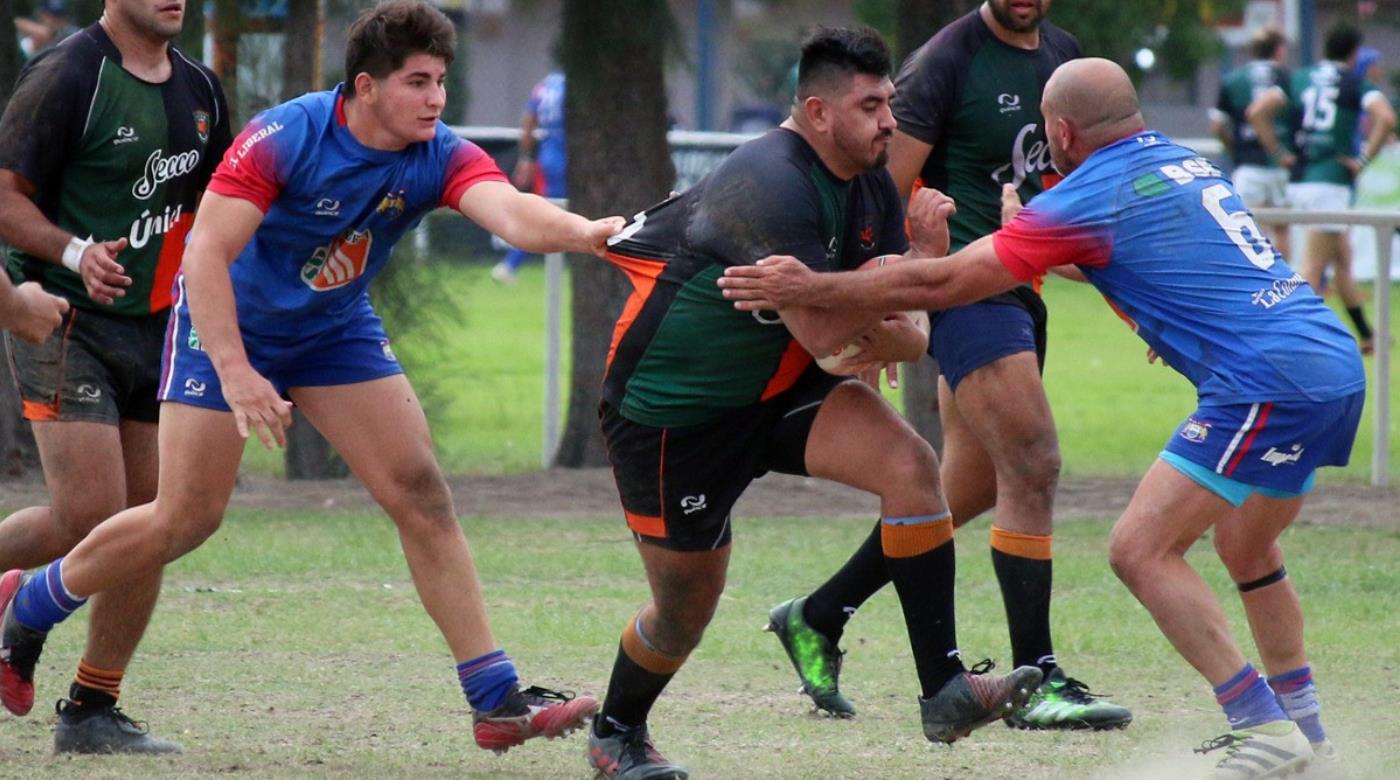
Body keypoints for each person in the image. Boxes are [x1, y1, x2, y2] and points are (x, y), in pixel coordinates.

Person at [0, 0, 619, 756]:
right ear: (366, 87)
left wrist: (588, 233)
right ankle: (33, 602)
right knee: (184, 518)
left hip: (332, 331)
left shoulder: (438, 151)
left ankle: (496, 700)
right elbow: (204, 256)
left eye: (441, 82)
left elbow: (513, 214)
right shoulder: (286, 135)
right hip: (224, 324)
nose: (436, 99)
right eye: (418, 82)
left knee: (421, 493)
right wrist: (236, 371)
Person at [721, 57, 1363, 780]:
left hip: (1264, 383)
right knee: (1250, 552)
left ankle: (1261, 726)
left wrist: (815, 286)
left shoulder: (1083, 195)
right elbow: (1160, 258)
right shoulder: (1182, 162)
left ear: (1059, 131)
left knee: (1140, 550)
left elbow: (949, 280)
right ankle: (1307, 734)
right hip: (1331, 361)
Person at [585, 27, 1042, 780]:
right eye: (870, 106)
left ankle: (946, 690)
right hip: (674, 415)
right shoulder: (770, 182)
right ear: (817, 111)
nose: (889, 122)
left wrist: (908, 279)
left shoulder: (867, 182)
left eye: (890, 102)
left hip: (778, 385)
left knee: (911, 466)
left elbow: (908, 338)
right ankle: (616, 730)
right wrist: (888, 303)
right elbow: (841, 339)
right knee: (683, 612)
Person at [763, 0, 1131, 732]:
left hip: (1021, 284)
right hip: (963, 287)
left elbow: (1068, 191)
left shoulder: (1063, 55)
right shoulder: (945, 61)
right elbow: (877, 182)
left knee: (970, 484)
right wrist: (880, 306)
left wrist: (1134, 301)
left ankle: (818, 613)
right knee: (1033, 460)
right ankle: (1040, 680)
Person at [0, 0, 232, 754]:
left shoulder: (199, 89)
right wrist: (73, 253)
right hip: (63, 319)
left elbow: (225, 206)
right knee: (87, 516)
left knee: (153, 521)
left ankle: (93, 709)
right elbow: (5, 199)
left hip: (162, 327)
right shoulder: (67, 75)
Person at [1250, 23, 1396, 354]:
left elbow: (1257, 112)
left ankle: (1368, 336)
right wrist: (1360, 161)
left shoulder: (1299, 77)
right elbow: (1385, 118)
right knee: (1313, 267)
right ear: (1354, 53)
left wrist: (1279, 153)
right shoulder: (1354, 82)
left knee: (1341, 259)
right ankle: (1283, 342)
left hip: (1301, 178)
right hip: (1330, 183)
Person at [1209, 26, 1292, 259]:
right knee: (1283, 227)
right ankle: (1285, 281)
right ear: (1278, 50)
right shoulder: (1286, 77)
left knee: (1250, 228)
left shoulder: (1233, 79)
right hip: (1280, 164)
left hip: (1247, 163)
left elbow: (1217, 125)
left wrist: (1233, 148)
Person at [491, 70, 566, 284]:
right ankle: (510, 264)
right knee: (550, 216)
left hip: (547, 156)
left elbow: (528, 121)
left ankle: (511, 264)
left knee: (549, 212)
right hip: (567, 157)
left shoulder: (546, 85)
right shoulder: (577, 85)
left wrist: (526, 157)